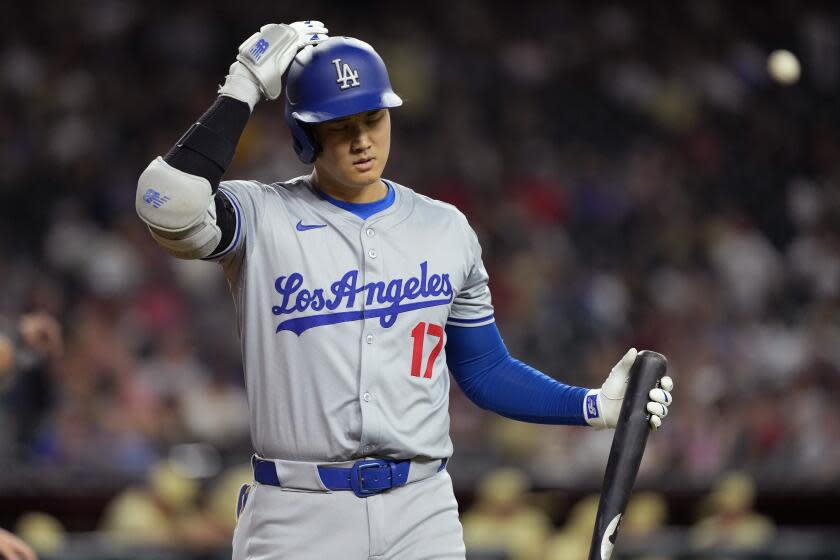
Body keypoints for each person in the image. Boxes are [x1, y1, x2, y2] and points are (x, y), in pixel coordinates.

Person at [136, 21, 674, 560]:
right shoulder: (260, 213)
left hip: (421, 511)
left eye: (374, 118)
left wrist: (589, 406)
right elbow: (165, 203)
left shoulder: (444, 228)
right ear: (304, 135)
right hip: (298, 511)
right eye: (340, 126)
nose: (363, 139)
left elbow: (484, 370)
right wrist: (244, 85)